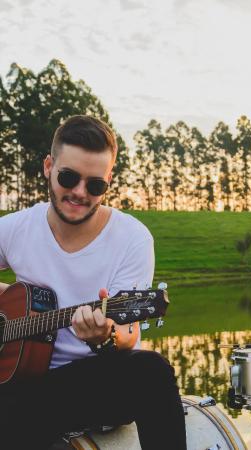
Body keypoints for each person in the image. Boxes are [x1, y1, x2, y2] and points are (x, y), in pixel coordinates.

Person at [0, 116, 186, 449]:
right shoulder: (15, 228)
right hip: (18, 386)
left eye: (95, 185)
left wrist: (105, 337)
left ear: (108, 181)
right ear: (48, 167)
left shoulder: (132, 238)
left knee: (152, 371)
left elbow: (128, 333)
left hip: (88, 382)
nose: (79, 193)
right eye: (68, 177)